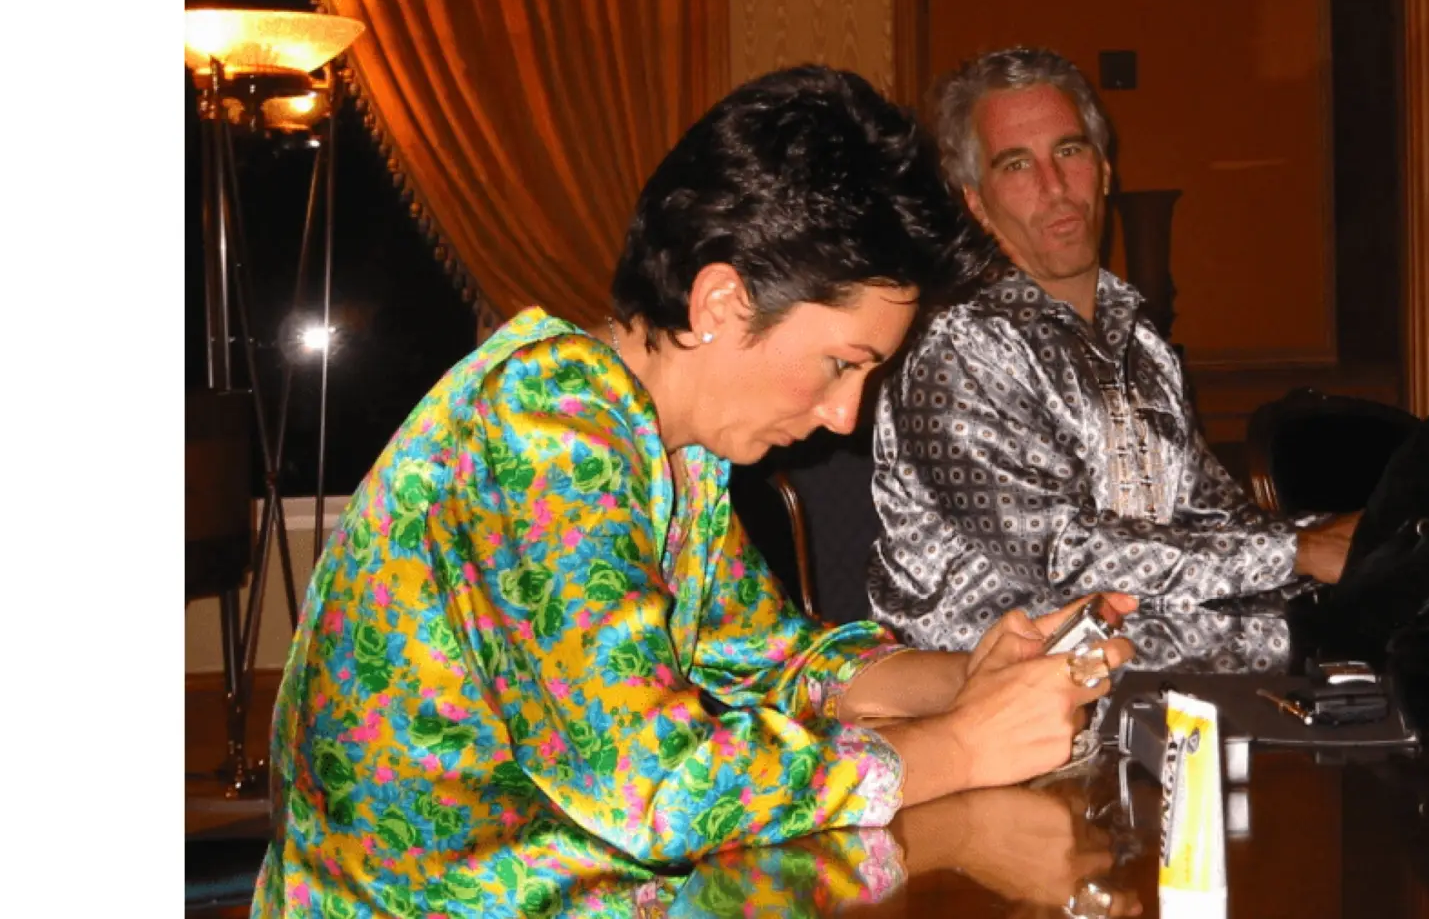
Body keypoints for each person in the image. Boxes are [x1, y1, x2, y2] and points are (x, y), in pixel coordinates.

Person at [252, 65, 1137, 918]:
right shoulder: (543, 422)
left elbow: (776, 660)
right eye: (841, 364)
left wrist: (967, 678)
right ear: (719, 303)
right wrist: (962, 746)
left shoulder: (672, 452)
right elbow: (662, 787)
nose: (844, 415)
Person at [866, 46, 1357, 655]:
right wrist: (1298, 553)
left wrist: (1357, 538)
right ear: (977, 203)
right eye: (1016, 165)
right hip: (992, 682)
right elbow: (1061, 556)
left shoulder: (1141, 344)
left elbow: (1215, 524)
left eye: (1069, 152)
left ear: (1103, 170)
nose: (1054, 187)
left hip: (1147, 661)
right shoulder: (957, 352)